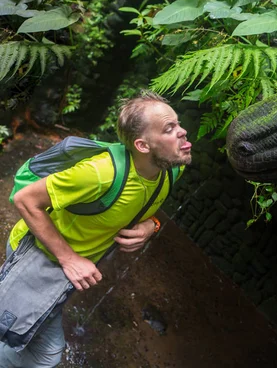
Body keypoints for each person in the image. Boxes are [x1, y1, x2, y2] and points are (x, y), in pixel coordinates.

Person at [0, 91, 192, 367]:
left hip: (67, 268)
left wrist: (153, 225)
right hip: (38, 254)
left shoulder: (171, 168)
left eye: (178, 123)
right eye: (169, 128)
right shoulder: (99, 173)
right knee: (46, 353)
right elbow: (25, 199)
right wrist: (70, 259)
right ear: (142, 145)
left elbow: (144, 205)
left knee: (21, 328)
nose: (183, 132)